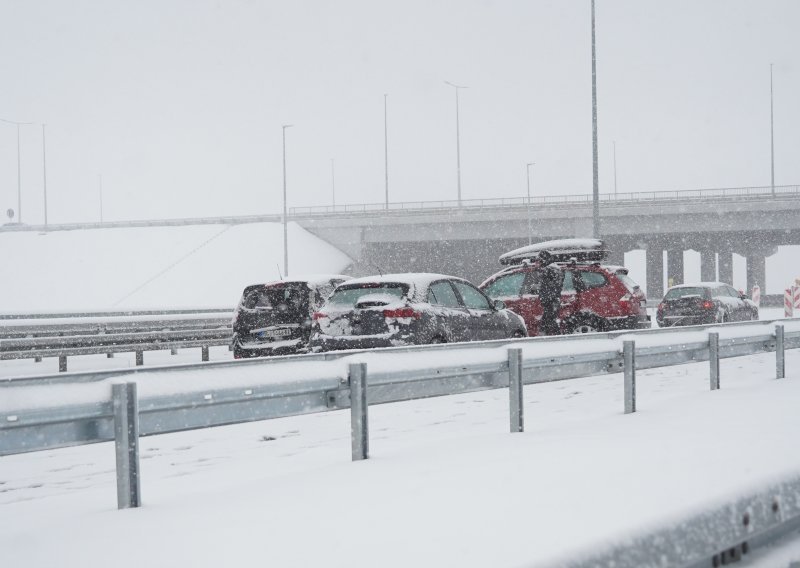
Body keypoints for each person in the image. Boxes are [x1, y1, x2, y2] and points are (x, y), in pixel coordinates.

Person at [538, 250, 564, 336]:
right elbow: (556, 285)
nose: (538, 262)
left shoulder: (549, 269)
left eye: (540, 260)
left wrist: (545, 298)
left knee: (548, 322)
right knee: (551, 321)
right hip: (554, 300)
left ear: (544, 259)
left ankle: (548, 339)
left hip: (550, 301)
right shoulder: (556, 268)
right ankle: (554, 338)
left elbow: (546, 286)